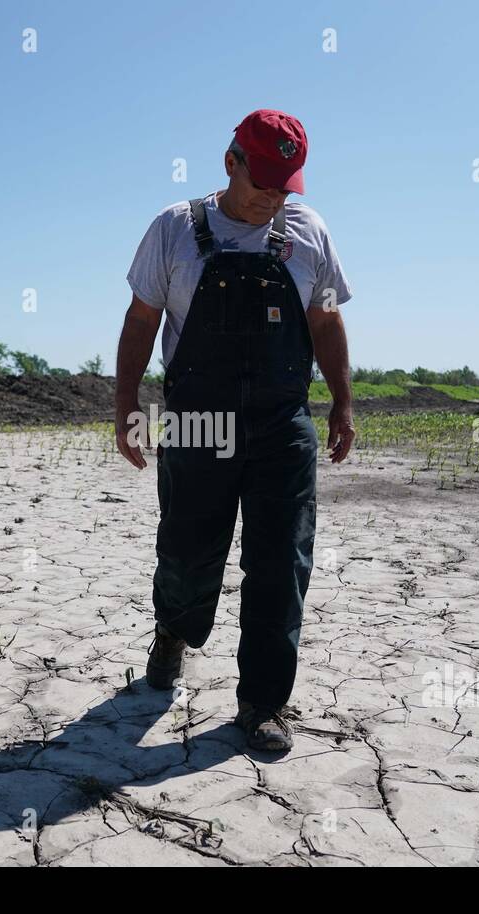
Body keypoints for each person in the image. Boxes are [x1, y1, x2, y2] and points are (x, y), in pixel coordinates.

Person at [114, 109, 355, 752]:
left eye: (285, 186)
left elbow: (326, 322)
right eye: (263, 183)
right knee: (189, 553)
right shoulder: (174, 229)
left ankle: (263, 702)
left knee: (281, 563)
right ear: (231, 163)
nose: (273, 198)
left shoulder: (309, 233)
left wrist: (341, 402)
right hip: (198, 419)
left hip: (281, 420)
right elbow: (141, 322)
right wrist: (125, 406)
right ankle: (173, 633)